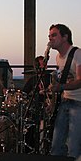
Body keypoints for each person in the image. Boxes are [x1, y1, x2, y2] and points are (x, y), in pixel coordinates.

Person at [48, 24, 81, 158]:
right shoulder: (58, 58)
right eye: (49, 36)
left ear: (65, 37)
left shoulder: (77, 53)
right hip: (64, 101)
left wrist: (61, 87)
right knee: (56, 146)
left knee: (73, 148)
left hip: (79, 103)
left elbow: (80, 80)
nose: (50, 38)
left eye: (54, 35)